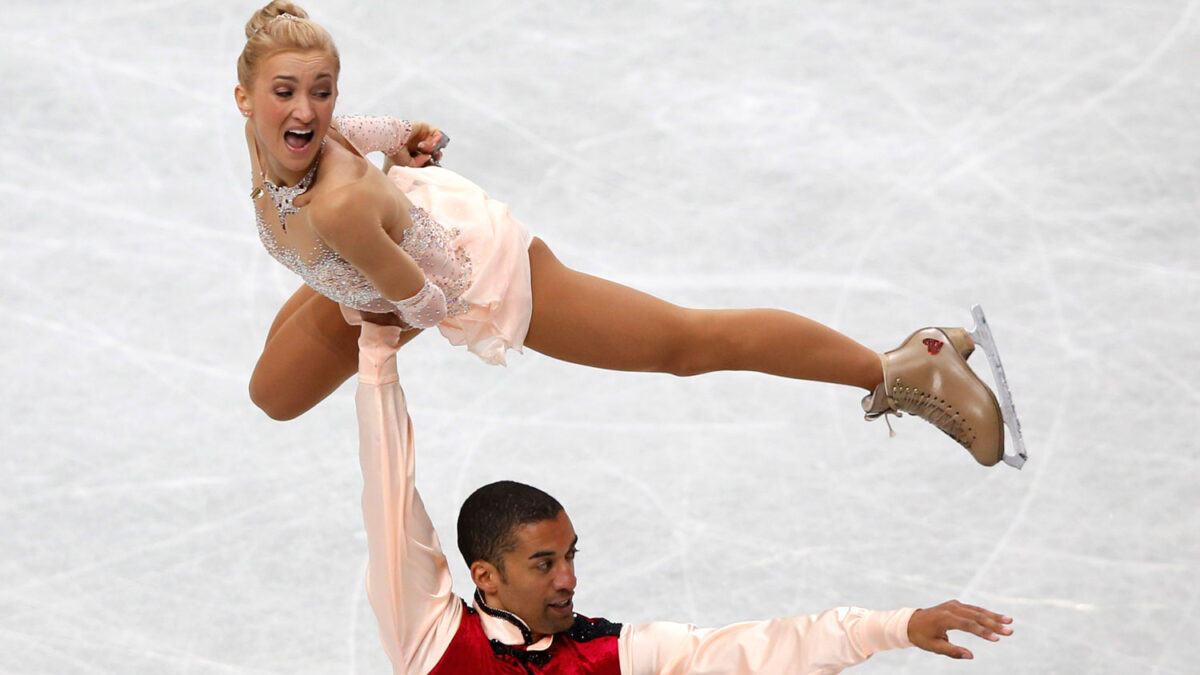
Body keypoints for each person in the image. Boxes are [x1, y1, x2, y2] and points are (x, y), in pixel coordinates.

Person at [235, 2, 1025, 468]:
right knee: (273, 391)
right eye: (286, 93)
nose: (306, 110)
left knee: (681, 343)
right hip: (376, 246)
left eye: (321, 93)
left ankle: (901, 365)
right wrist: (402, 139)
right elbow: (363, 128)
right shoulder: (299, 138)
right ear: (243, 98)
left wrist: (384, 308)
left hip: (468, 267)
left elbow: (429, 296)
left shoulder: (336, 203)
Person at [352, 317, 1014, 674]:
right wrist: (378, 357)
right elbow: (390, 495)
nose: (570, 579)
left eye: (570, 555)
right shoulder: (433, 642)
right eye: (545, 562)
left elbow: (762, 651)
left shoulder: (610, 656)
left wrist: (896, 627)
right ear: (485, 577)